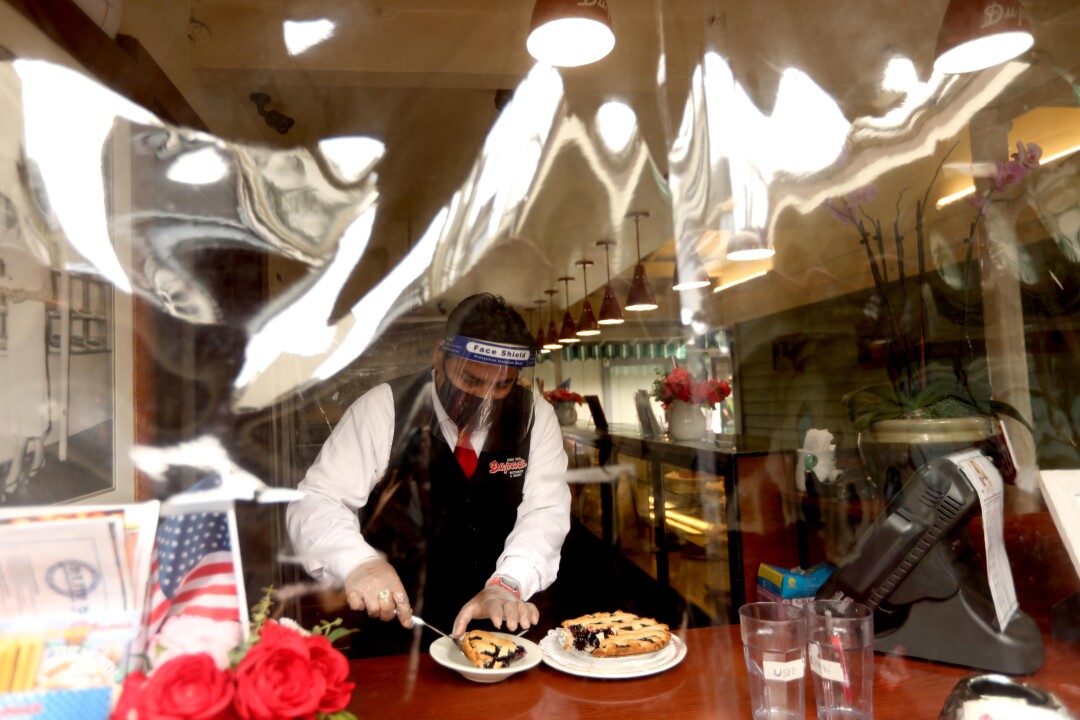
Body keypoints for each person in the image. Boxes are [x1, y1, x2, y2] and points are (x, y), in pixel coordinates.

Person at [286, 293, 570, 653]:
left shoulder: (535, 417)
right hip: (396, 631)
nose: (486, 398)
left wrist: (508, 584)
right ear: (440, 356)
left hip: (500, 631)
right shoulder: (384, 408)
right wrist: (360, 565)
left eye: (501, 385)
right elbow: (317, 500)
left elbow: (546, 512)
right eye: (471, 380)